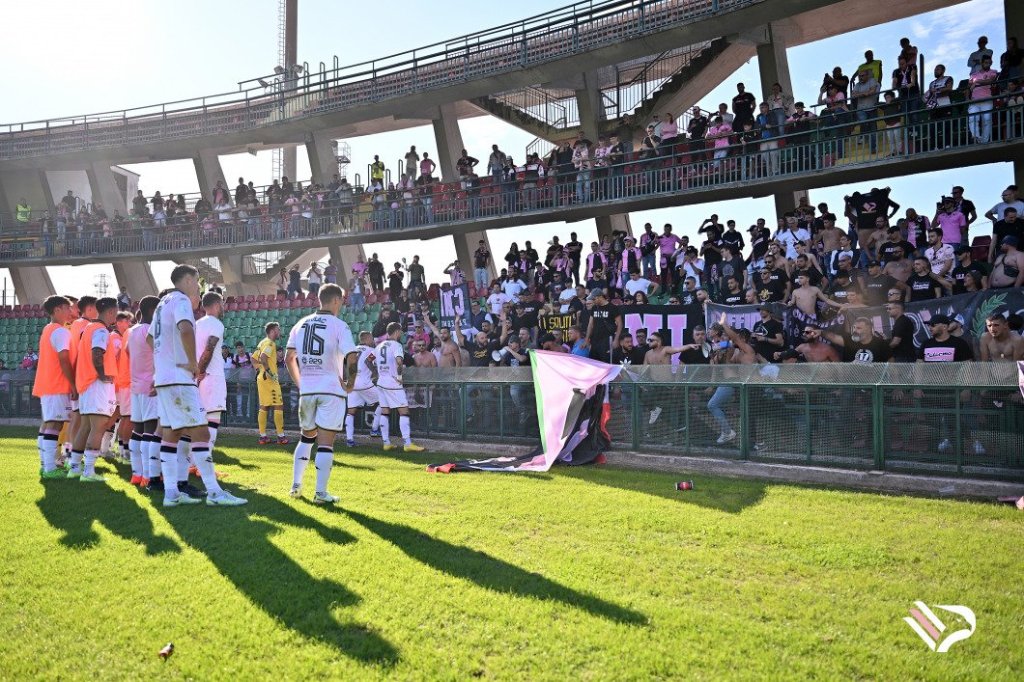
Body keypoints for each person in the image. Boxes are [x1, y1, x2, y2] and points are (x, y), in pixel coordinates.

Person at [150, 266, 246, 507]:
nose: (198, 285)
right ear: (189, 280)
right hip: (180, 377)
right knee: (200, 432)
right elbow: (184, 328)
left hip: (164, 377)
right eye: (197, 280)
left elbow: (150, 338)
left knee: (171, 433)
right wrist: (192, 363)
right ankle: (214, 492)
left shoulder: (163, 303)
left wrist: (163, 362)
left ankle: (171, 493)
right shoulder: (181, 299)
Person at [284, 284, 357, 504]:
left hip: (308, 390)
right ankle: (320, 493)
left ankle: (296, 486)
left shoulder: (300, 324)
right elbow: (352, 356)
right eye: (341, 301)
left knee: (306, 438)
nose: (342, 305)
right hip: (331, 390)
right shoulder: (339, 325)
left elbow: (289, 358)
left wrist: (300, 383)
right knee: (325, 443)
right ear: (336, 300)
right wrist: (350, 382)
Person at [67, 297, 119, 482]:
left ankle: (74, 468)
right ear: (111, 312)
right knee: (98, 427)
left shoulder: (89, 328)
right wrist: (102, 373)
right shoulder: (100, 330)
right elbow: (97, 353)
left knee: (86, 427)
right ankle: (88, 472)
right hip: (97, 383)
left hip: (87, 383)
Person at [32, 295, 76, 478]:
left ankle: (46, 465)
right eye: (67, 308)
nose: (70, 311)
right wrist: (73, 384)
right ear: (57, 310)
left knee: (48, 424)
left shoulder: (48, 329)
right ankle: (49, 468)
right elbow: (64, 359)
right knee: (54, 424)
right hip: (57, 384)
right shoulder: (60, 331)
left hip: (48, 383)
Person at [374, 322, 424, 452]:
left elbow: (369, 361)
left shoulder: (379, 346)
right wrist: (400, 377)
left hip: (381, 382)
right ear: (396, 332)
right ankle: (407, 444)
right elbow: (399, 362)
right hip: (392, 383)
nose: (401, 334)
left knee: (385, 412)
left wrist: (376, 374)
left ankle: (386, 442)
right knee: (404, 411)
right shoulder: (396, 345)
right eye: (400, 332)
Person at [127, 296, 160, 488]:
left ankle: (136, 474)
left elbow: (127, 353)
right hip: (150, 385)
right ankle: (149, 475)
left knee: (137, 430)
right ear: (152, 311)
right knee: (150, 429)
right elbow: (159, 355)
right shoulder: (150, 331)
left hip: (136, 385)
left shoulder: (131, 331)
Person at [195, 292, 228, 449]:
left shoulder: (197, 323)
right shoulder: (216, 324)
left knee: (199, 421)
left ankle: (193, 463)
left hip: (198, 377)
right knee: (213, 419)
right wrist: (201, 370)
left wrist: (197, 373)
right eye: (221, 303)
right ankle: (204, 464)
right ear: (216, 305)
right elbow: (209, 348)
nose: (223, 307)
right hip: (211, 376)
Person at [345, 330, 383, 447]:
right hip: (364, 383)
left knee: (351, 412)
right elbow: (369, 361)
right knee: (383, 401)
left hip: (351, 383)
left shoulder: (351, 350)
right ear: (367, 338)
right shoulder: (372, 351)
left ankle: (349, 440)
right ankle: (374, 429)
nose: (372, 340)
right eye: (371, 338)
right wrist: (375, 373)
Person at [253, 322, 288, 445]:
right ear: (273, 331)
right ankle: (281, 437)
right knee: (278, 406)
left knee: (264, 406)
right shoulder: (270, 343)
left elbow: (253, 359)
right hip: (270, 380)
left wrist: (259, 370)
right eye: (278, 329)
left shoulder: (262, 342)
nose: (280, 332)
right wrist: (269, 372)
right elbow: (262, 357)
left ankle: (263, 437)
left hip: (262, 379)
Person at [583, 289, 622, 363]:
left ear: (600, 297)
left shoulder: (612, 308)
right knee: (594, 363)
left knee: (606, 363)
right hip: (595, 340)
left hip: (607, 340)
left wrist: (616, 340)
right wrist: (586, 339)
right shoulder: (594, 308)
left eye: (594, 299)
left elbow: (620, 324)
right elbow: (590, 324)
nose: (593, 301)